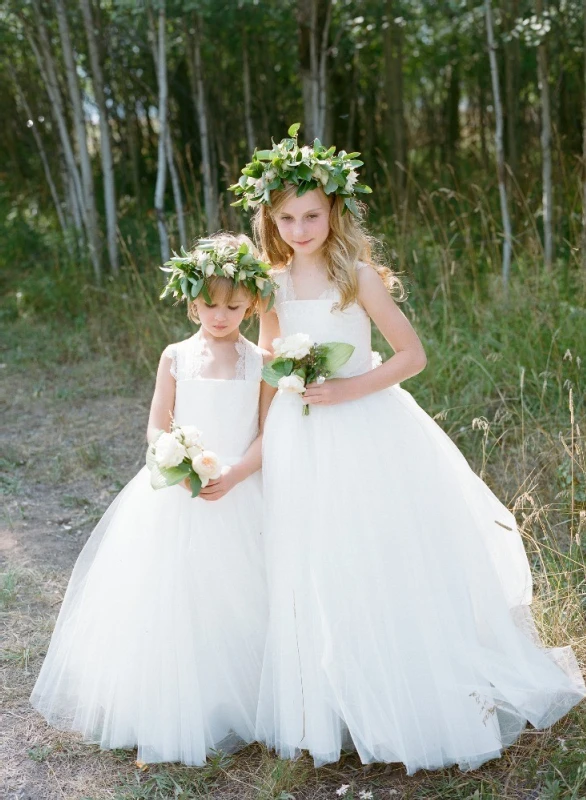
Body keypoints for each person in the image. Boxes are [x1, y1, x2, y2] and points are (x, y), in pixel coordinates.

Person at [230, 126, 586, 774]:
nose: (301, 227)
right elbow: (270, 363)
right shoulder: (272, 283)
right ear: (271, 220)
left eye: (312, 214)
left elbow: (411, 356)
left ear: (333, 210)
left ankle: (404, 691)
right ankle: (327, 703)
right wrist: (262, 433)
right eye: (288, 217)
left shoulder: (355, 275)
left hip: (365, 424)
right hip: (298, 431)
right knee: (308, 555)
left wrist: (348, 389)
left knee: (373, 550)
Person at [30, 233, 275, 766]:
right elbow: (155, 423)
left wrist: (233, 473)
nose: (220, 314)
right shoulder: (175, 356)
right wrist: (175, 458)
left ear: (253, 304)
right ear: (191, 301)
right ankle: (168, 703)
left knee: (238, 594)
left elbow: (267, 433)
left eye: (233, 305)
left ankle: (235, 701)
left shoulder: (261, 363)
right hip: (176, 489)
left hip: (236, 486)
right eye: (210, 303)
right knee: (169, 594)